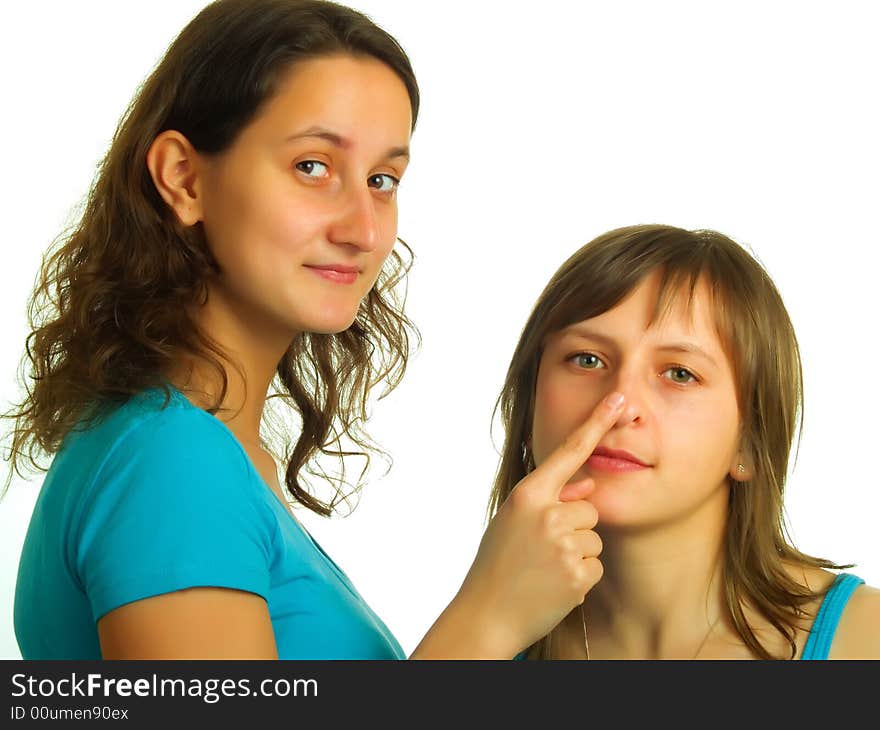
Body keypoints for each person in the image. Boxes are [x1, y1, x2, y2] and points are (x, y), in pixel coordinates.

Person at [4, 0, 619, 660]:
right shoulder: (173, 462)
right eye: (313, 167)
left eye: (382, 180)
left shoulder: (199, 452)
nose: (363, 230)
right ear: (184, 179)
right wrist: (489, 619)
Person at [489, 224, 880, 660]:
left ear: (749, 443)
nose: (619, 406)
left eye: (679, 373)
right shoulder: (480, 641)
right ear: (528, 409)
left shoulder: (867, 639)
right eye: (587, 359)